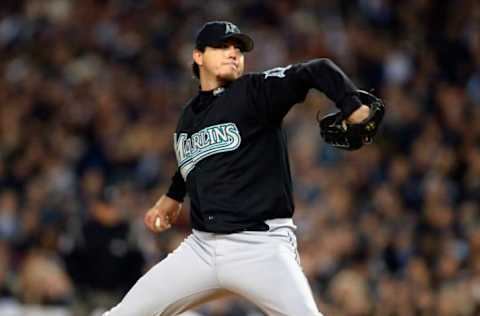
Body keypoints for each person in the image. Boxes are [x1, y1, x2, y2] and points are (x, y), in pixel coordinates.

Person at [103, 21, 370, 316]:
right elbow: (194, 161)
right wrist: (173, 197)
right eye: (222, 46)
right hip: (201, 249)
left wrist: (352, 104)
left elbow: (316, 69)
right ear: (198, 56)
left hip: (260, 246)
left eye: (238, 49)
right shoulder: (188, 117)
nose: (233, 53)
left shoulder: (255, 91)